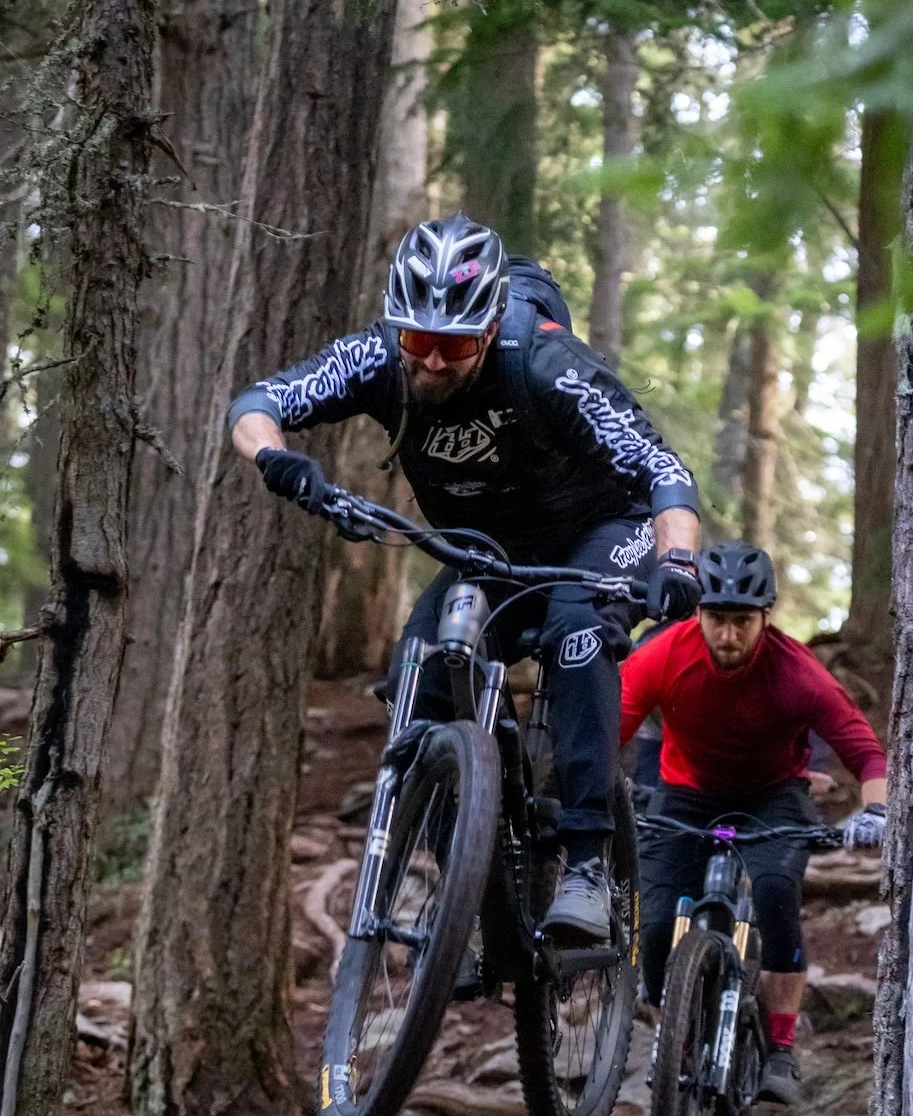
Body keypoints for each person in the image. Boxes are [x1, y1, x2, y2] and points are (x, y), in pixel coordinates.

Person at [228, 212, 702, 942]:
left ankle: (585, 861)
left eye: (455, 345)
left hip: (602, 530)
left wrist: (675, 561)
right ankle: (474, 868)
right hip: (485, 549)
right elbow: (259, 403)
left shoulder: (546, 365)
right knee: (417, 677)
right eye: (420, 341)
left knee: (577, 630)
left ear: (487, 331)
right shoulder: (380, 356)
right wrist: (278, 462)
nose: (434, 363)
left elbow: (665, 472)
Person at [619, 542, 887, 1107]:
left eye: (743, 622)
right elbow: (605, 732)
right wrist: (585, 794)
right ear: (699, 613)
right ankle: (680, 1042)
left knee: (773, 892)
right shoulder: (664, 655)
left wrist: (877, 809)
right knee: (653, 922)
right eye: (718, 619)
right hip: (684, 795)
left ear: (766, 617)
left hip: (774, 797)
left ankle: (783, 1048)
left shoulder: (797, 672)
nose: (729, 636)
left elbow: (866, 753)